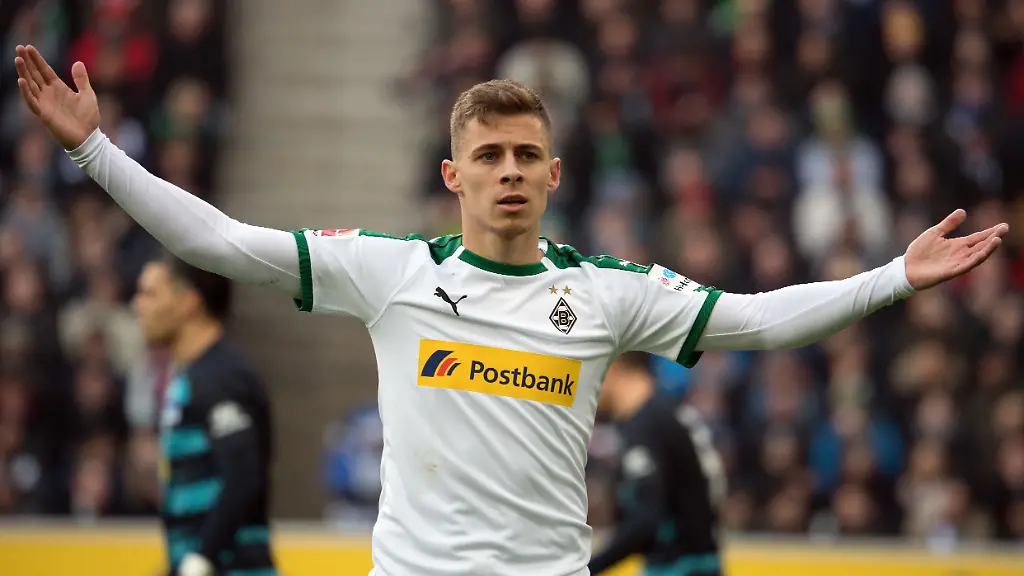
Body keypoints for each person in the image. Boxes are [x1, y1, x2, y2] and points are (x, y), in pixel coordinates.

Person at [13, 45, 1009, 576]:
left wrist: (894, 275)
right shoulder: (391, 272)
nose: (509, 171)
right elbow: (219, 244)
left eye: (527, 154)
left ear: (554, 173)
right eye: (488, 156)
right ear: (454, 175)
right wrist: (92, 151)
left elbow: (757, 319)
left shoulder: (607, 291)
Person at [133, 255, 276, 576]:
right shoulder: (191, 377)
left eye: (150, 294)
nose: (137, 305)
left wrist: (202, 559)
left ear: (188, 302)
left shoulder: (223, 376)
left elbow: (243, 476)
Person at [591, 351, 725, 576]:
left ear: (613, 367)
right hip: (700, 560)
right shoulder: (668, 411)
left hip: (679, 567)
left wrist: (586, 568)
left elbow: (645, 521)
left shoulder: (647, 424)